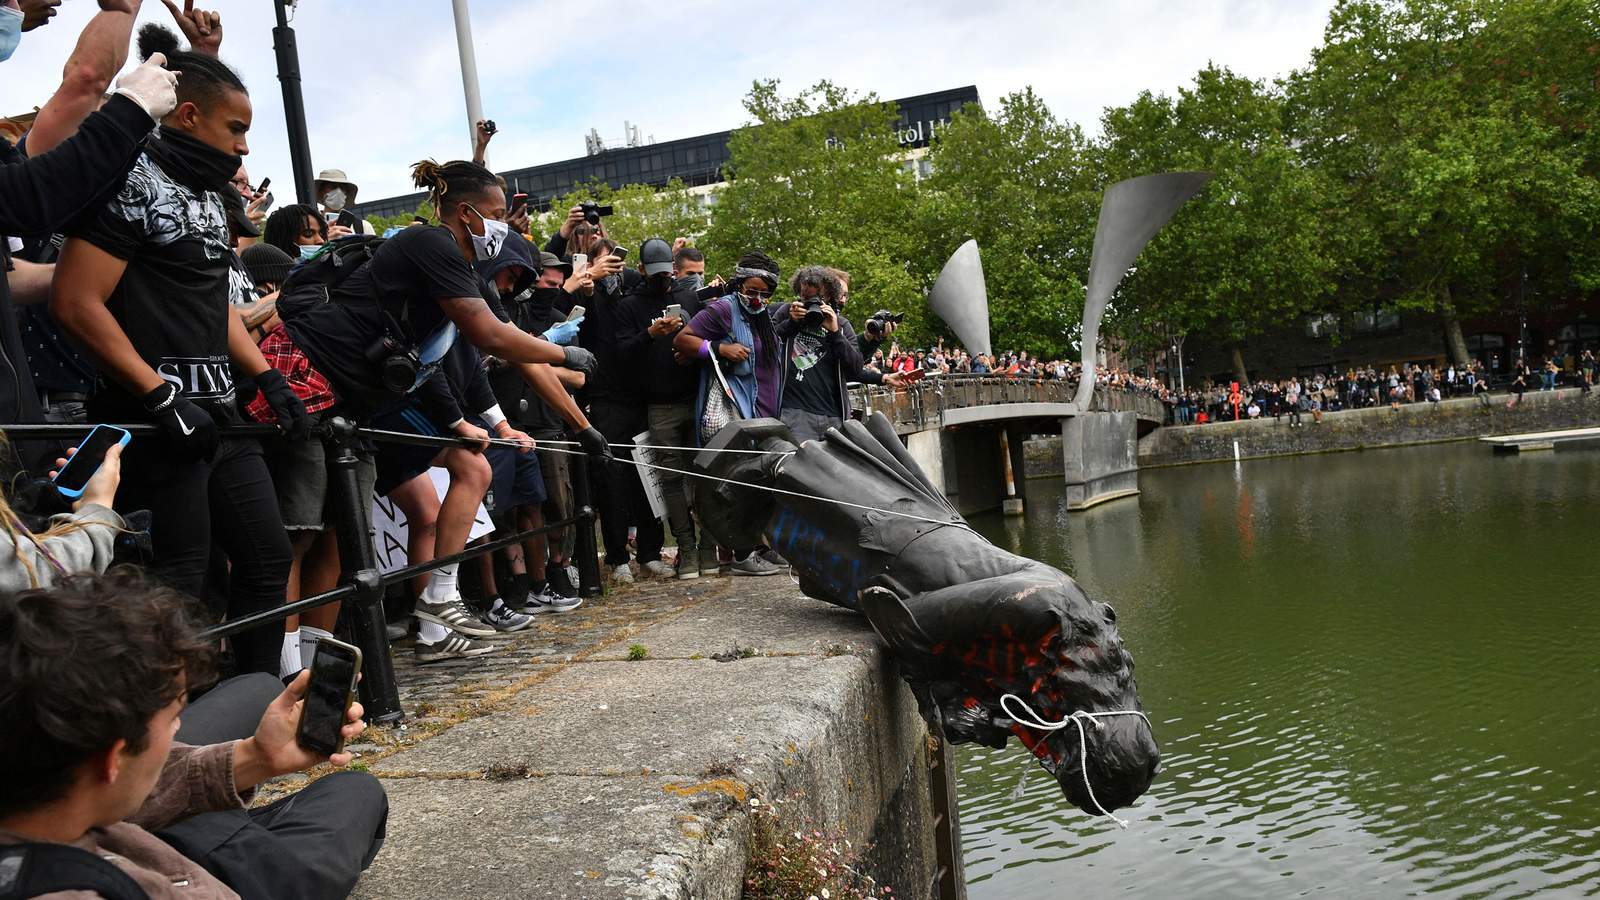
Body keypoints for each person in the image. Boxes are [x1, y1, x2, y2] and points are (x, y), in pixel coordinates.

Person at [50, 25, 307, 677]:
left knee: (267, 558)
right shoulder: (128, 177)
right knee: (179, 581)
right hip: (155, 419)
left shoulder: (206, 194)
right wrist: (157, 393)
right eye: (235, 129)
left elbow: (207, 303)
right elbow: (75, 301)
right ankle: (167, 748)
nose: (244, 146)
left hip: (219, 415)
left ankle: (249, 713)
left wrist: (266, 380)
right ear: (188, 116)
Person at [0, 571, 388, 900]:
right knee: (356, 790)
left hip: (123, 816)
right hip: (201, 857)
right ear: (113, 759)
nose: (179, 729)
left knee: (259, 687)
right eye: (173, 719)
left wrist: (254, 756)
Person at [613, 237, 707, 579]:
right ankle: (686, 547)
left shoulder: (686, 296)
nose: (662, 281)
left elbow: (709, 340)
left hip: (695, 400)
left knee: (705, 473)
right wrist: (649, 334)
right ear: (640, 271)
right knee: (670, 478)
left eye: (667, 274)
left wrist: (690, 352)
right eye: (655, 275)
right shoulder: (628, 306)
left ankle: (707, 547)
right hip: (658, 405)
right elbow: (620, 356)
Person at [313, 167, 375, 235]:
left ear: (346, 193)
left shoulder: (363, 227)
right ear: (321, 191)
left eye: (342, 188)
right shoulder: (312, 226)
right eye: (332, 187)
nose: (338, 191)